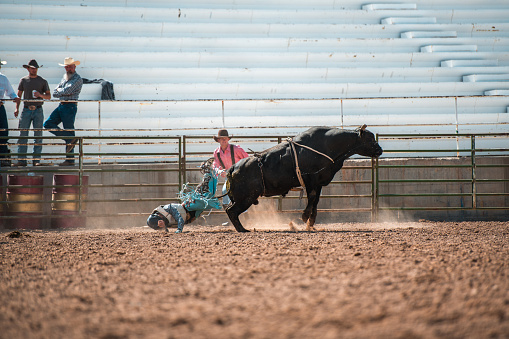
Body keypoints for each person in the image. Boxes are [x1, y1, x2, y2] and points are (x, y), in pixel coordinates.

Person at [147, 158, 222, 233]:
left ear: (159, 217)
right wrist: (164, 228)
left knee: (207, 196)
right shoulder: (164, 219)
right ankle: (207, 172)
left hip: (189, 206)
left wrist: (179, 229)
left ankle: (207, 170)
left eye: (159, 223)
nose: (160, 225)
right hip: (192, 214)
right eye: (158, 226)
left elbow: (179, 217)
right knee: (209, 195)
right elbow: (166, 229)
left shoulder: (168, 209)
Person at [43, 57, 83, 166]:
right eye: (67, 66)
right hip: (63, 105)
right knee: (48, 124)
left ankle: (70, 159)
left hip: (69, 106)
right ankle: (70, 140)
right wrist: (62, 92)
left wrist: (61, 91)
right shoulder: (65, 77)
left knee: (68, 130)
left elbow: (65, 90)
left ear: (74, 67)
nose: (68, 68)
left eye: (70, 66)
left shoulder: (78, 79)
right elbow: (55, 93)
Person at [13, 59, 51, 167]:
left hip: (38, 109)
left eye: (35, 68)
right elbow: (18, 96)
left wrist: (40, 95)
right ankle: (21, 160)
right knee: (23, 135)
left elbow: (49, 96)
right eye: (32, 68)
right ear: (28, 69)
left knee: (38, 135)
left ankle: (36, 160)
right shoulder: (23, 80)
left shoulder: (42, 81)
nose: (34, 70)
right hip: (26, 109)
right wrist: (17, 108)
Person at [212, 129, 249, 205]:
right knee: (225, 191)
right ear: (218, 140)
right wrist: (219, 171)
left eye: (225, 138)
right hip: (228, 176)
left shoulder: (236, 149)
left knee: (239, 192)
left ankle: (243, 212)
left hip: (240, 175)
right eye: (222, 138)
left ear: (228, 139)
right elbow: (215, 165)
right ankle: (229, 210)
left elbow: (247, 159)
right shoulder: (217, 152)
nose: (224, 140)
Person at [0, 58, 18, 167]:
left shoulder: (3, 78)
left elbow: (11, 92)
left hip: (1, 107)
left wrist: (15, 98)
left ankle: (2, 158)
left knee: (3, 132)